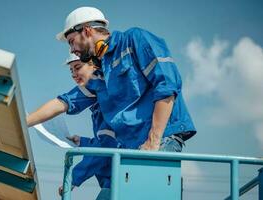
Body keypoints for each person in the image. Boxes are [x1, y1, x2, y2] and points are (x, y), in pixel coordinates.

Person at [56, 7, 196, 152]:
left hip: (159, 140)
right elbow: (65, 101)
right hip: (135, 145)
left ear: (86, 31)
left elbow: (167, 85)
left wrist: (154, 140)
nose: (71, 49)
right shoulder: (102, 69)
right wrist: (30, 121)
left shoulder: (134, 40)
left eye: (72, 41)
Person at [28, 54, 117, 199]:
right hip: (114, 180)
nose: (74, 75)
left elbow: (105, 148)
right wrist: (82, 141)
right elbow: (107, 142)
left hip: (119, 181)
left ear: (94, 66)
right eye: (71, 71)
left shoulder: (109, 106)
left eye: (77, 67)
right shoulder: (98, 105)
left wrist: (73, 178)